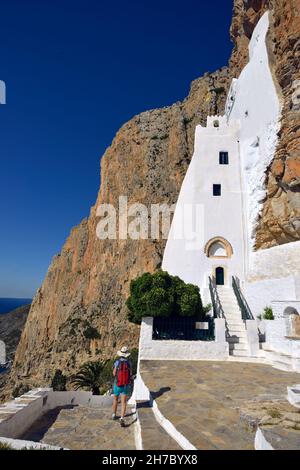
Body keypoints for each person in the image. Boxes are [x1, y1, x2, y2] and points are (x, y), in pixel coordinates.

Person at [112, 346, 132, 427]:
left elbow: (114, 373)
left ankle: (114, 414)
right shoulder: (129, 363)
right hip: (125, 385)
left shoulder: (117, 362)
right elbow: (130, 374)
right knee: (123, 402)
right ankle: (122, 418)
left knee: (115, 400)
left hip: (117, 384)